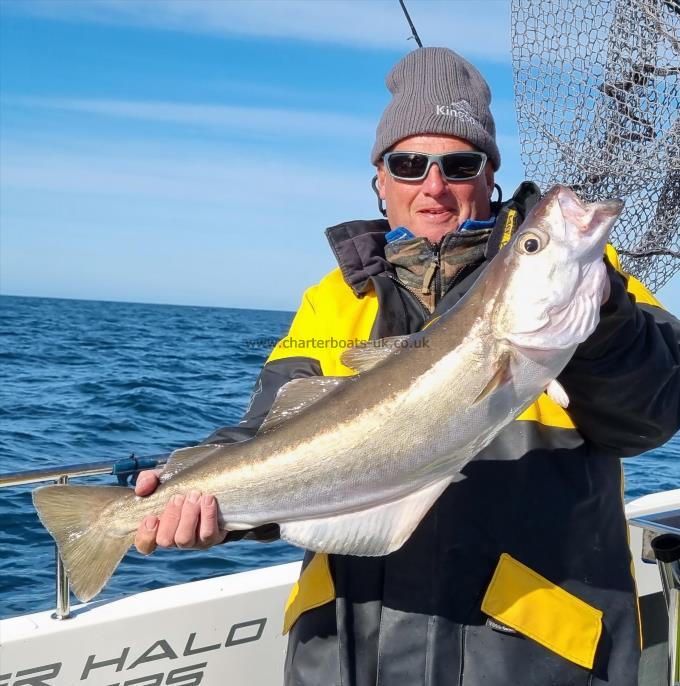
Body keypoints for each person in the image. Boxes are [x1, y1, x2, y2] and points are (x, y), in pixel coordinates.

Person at [133, 48, 680, 686]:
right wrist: (197, 497)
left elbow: (652, 415)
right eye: (409, 163)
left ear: (490, 177)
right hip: (344, 655)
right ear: (380, 180)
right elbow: (268, 438)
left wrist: (606, 313)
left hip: (527, 659)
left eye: (460, 163)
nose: (434, 186)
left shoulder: (595, 283)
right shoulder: (332, 300)